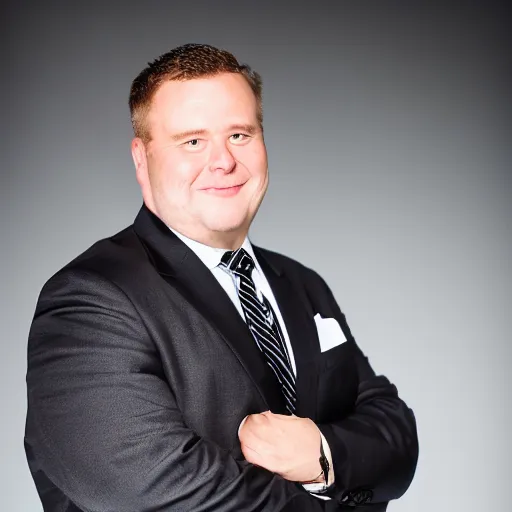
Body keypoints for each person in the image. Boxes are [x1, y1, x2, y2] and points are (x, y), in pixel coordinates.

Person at [25, 43, 418, 511]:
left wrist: (321, 456)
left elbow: (396, 436)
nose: (224, 161)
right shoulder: (89, 300)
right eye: (193, 141)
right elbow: (164, 494)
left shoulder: (301, 282)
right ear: (141, 158)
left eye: (240, 135)